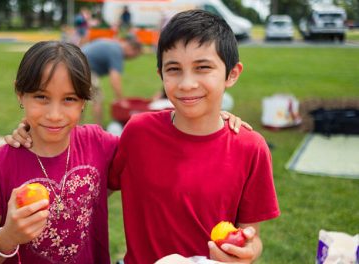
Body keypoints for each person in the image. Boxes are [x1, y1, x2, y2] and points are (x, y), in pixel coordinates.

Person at [108, 10, 280, 263]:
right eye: (174, 69)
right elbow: (89, 180)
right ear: (161, 75)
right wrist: (31, 136)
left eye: (202, 68)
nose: (187, 83)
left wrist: (248, 251)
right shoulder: (138, 132)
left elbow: (251, 235)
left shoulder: (250, 148)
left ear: (231, 74)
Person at [0, 41, 120, 263]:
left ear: (84, 101)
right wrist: (7, 237)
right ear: (20, 93)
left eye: (69, 99)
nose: (55, 115)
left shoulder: (98, 144)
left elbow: (151, 147)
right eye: (41, 97)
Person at [81, 38, 142, 125]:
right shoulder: (117, 52)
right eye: (135, 55)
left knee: (81, 98)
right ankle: (98, 130)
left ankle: (75, 128)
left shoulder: (113, 45)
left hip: (76, 65)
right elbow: (115, 78)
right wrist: (121, 100)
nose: (132, 58)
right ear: (131, 48)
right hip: (84, 68)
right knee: (97, 99)